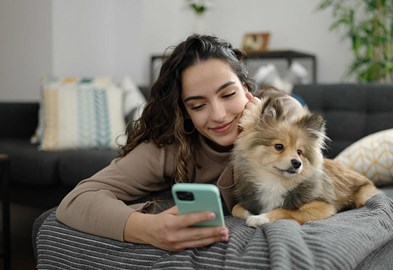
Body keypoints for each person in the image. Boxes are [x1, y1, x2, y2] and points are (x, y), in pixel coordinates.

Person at [56, 34, 303, 252]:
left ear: (246, 88)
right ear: (185, 111)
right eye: (198, 105)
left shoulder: (284, 113)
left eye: (228, 94)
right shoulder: (172, 145)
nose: (218, 115)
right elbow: (77, 200)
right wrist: (147, 228)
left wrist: (257, 130)